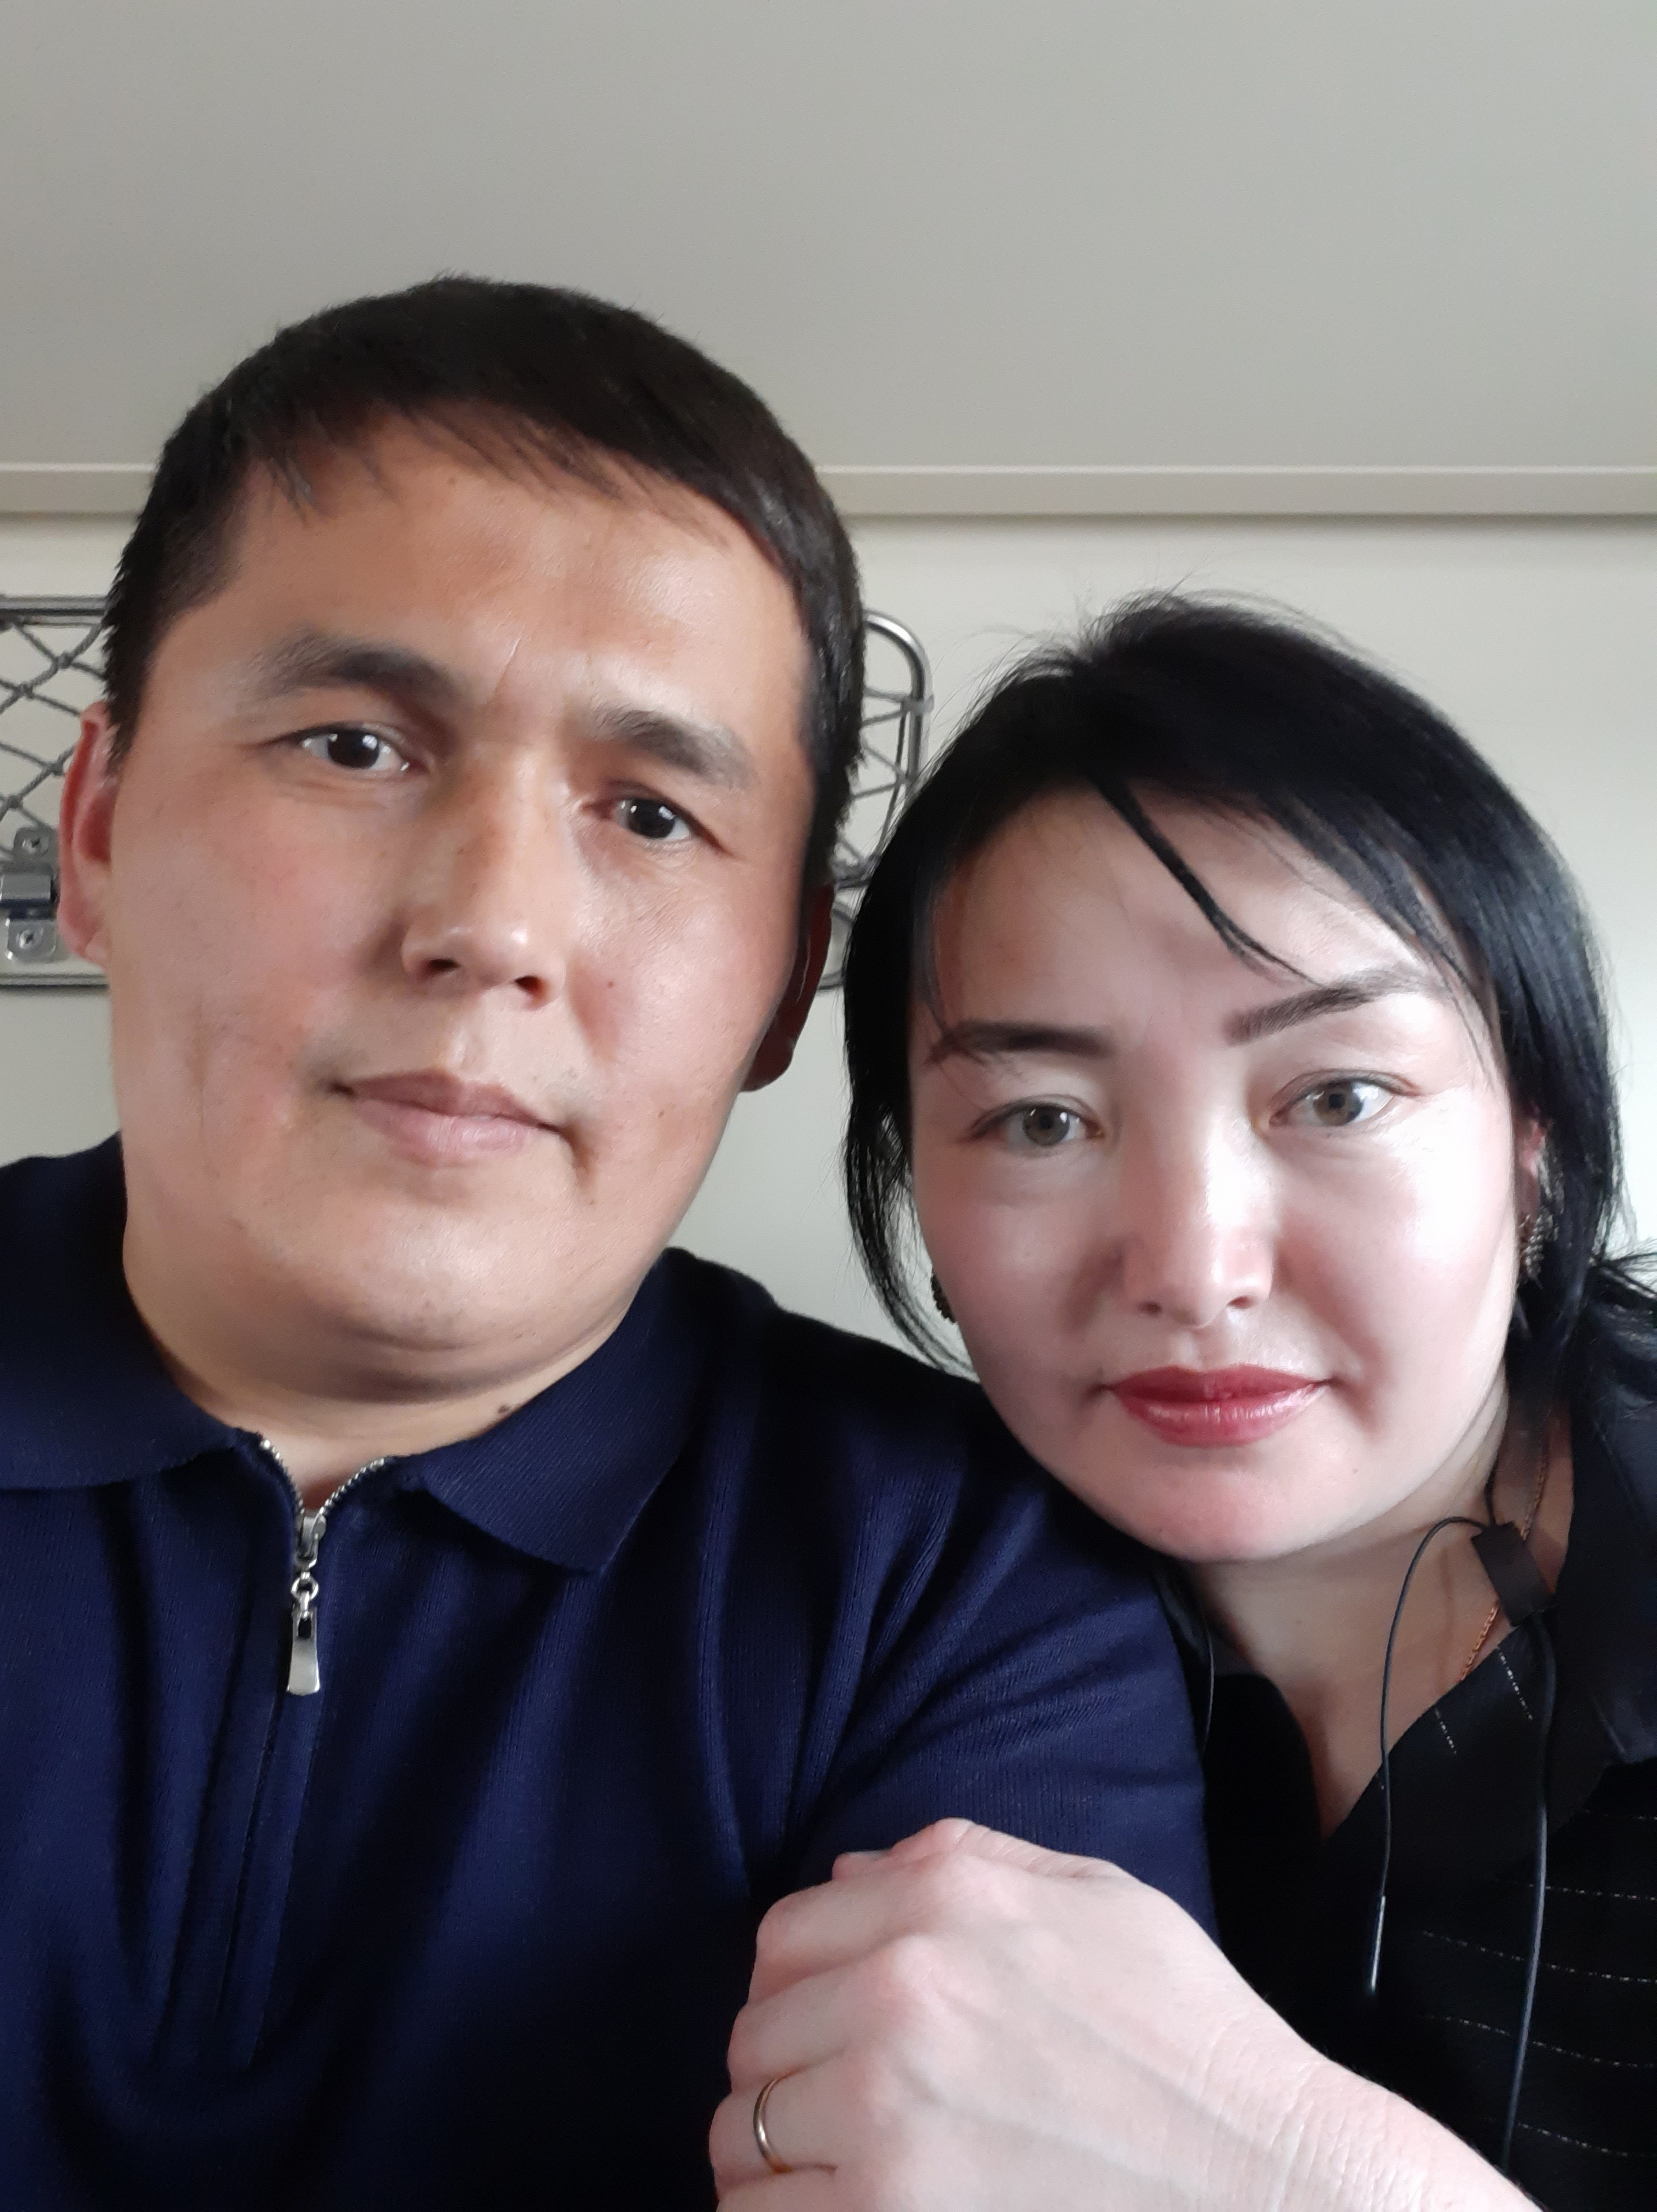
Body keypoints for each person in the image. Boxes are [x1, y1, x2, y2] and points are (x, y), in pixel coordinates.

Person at [0, 287, 1210, 2209]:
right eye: (353, 746)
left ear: (786, 989)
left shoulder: (956, 1584)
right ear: (95, 832)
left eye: (650, 811)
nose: (492, 926)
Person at [712, 598, 1657, 2209]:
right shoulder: (900, 1613)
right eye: (1041, 1122)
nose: (1193, 1267)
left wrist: (1286, 2169)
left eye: (1337, 1095)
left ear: (1534, 1142)